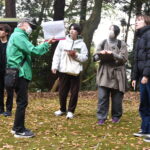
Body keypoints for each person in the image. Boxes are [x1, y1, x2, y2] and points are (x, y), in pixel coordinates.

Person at [6, 18, 55, 138]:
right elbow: (34, 51)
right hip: (20, 73)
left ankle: (16, 127)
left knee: (20, 102)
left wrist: (45, 44)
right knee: (22, 102)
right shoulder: (18, 36)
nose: (31, 29)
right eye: (30, 26)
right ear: (22, 24)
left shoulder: (18, 36)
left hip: (16, 72)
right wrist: (47, 44)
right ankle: (19, 130)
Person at [51, 23, 88, 119]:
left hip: (75, 71)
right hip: (63, 70)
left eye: (74, 29)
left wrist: (75, 55)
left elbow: (85, 58)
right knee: (62, 91)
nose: (71, 31)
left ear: (78, 32)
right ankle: (62, 109)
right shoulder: (62, 42)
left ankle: (71, 111)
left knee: (74, 92)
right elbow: (57, 55)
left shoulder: (82, 44)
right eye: (70, 29)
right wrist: (54, 66)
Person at [93, 25, 128, 125]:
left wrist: (112, 54)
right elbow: (95, 57)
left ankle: (116, 116)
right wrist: (101, 54)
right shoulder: (103, 42)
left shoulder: (122, 44)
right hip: (104, 73)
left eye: (111, 29)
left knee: (117, 98)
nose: (110, 31)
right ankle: (101, 117)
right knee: (102, 96)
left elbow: (124, 58)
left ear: (116, 32)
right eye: (109, 29)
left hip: (118, 74)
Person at [132, 14, 150, 143]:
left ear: (147, 22)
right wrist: (134, 77)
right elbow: (137, 59)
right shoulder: (140, 37)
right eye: (136, 20)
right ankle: (145, 129)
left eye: (139, 20)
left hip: (148, 76)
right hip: (142, 77)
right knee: (144, 104)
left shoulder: (149, 35)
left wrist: (146, 75)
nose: (136, 22)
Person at [0, 24, 14, 117]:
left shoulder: (11, 43)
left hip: (9, 70)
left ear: (7, 33)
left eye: (1, 30)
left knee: (9, 90)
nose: (0, 31)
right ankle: (1, 109)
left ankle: (8, 110)